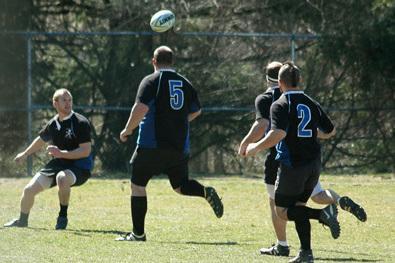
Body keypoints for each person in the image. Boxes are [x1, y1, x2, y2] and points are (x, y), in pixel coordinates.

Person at [239, 62, 366, 258]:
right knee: (300, 206)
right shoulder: (311, 102)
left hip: (293, 165)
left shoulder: (279, 104)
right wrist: (305, 133)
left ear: (280, 83)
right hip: (314, 163)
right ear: (300, 80)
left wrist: (255, 146)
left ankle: (321, 215)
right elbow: (330, 131)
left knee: (282, 211)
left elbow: (278, 133)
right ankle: (306, 253)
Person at [116, 46, 224, 242]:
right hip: (178, 146)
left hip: (151, 145)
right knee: (180, 186)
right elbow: (196, 110)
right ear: (172, 62)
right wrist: (179, 121)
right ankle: (204, 191)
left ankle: (138, 234)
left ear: (153, 61)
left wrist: (127, 130)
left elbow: (140, 108)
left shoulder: (151, 80)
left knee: (138, 186)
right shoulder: (185, 83)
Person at [4, 88, 94, 230]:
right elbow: (40, 140)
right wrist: (25, 154)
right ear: (55, 103)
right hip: (58, 163)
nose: (68, 103)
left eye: (70, 100)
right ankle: (22, 221)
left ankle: (62, 217)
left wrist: (61, 153)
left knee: (62, 178)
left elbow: (85, 151)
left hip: (79, 167)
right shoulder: (53, 124)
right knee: (28, 190)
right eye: (64, 100)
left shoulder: (80, 122)